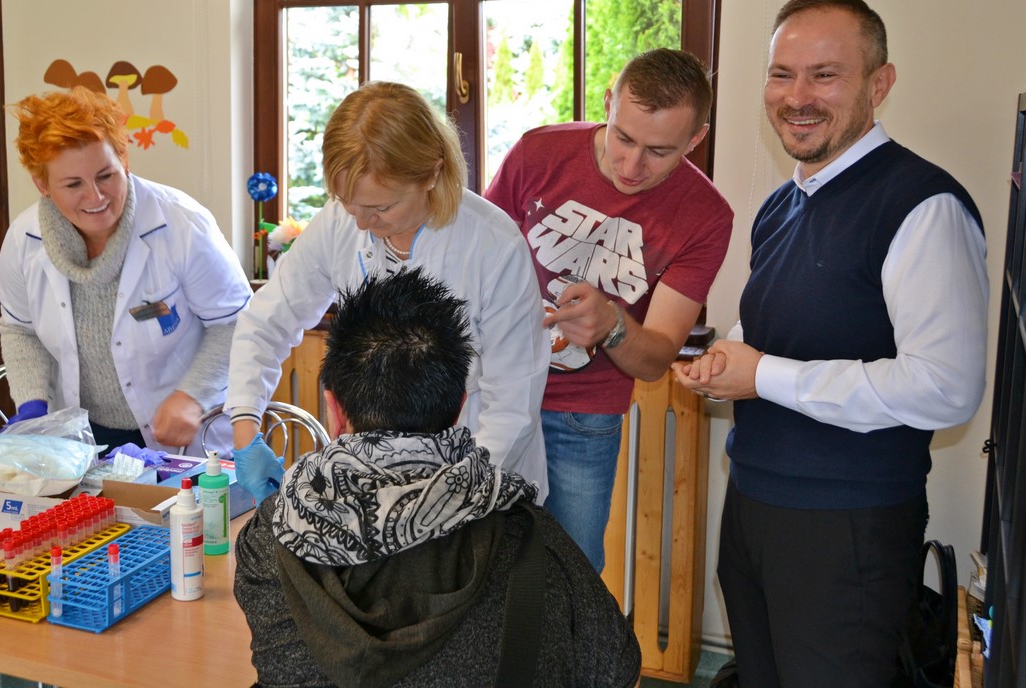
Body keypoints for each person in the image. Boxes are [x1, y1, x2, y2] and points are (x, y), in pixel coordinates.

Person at [673, 0, 988, 687]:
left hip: (847, 527)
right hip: (753, 506)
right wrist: (727, 360)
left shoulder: (923, 206)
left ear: (880, 83)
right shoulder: (781, 205)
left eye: (825, 75)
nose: (797, 97)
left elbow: (946, 387)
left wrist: (762, 375)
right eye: (781, 74)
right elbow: (781, 329)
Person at [233, 269, 641, 687]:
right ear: (460, 406)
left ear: (333, 410)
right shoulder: (531, 538)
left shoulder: (272, 533)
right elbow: (618, 668)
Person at [228, 81, 550, 503]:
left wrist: (444, 503)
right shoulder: (338, 225)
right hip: (372, 479)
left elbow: (511, 406)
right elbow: (267, 321)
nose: (363, 223)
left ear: (431, 173)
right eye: (349, 203)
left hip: (479, 479)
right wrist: (246, 430)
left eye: (381, 208)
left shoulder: (493, 245)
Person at [485, 49, 734, 570]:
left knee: (572, 576)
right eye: (623, 138)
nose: (632, 166)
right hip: (491, 390)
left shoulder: (706, 215)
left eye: (659, 152)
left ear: (696, 139)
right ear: (607, 104)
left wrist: (614, 325)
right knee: (474, 561)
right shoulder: (538, 153)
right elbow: (470, 267)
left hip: (583, 414)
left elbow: (655, 360)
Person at [0, 87, 252, 453]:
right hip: (82, 438)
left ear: (124, 158)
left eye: (106, 175)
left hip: (182, 440)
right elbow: (20, 329)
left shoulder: (182, 225)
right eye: (73, 184)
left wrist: (192, 395)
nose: (96, 197)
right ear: (43, 185)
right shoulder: (25, 239)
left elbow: (236, 324)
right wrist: (32, 404)